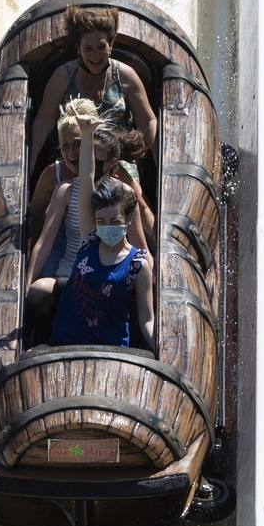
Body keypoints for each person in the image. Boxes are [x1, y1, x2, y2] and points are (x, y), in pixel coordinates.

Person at [30, 113, 155, 349]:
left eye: (114, 220)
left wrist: (162, 348)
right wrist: (86, 134)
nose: (106, 227)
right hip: (67, 341)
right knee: (40, 293)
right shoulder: (90, 241)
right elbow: (87, 176)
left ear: (127, 220)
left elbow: (148, 320)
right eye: (102, 221)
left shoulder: (138, 265)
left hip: (110, 349)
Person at [28, 5, 157, 169]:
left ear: (111, 45)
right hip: (73, 160)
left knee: (131, 193)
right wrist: (30, 162)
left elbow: (148, 121)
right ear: (78, 48)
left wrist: (161, 165)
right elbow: (43, 124)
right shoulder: (63, 76)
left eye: (101, 47)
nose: (95, 55)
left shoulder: (126, 76)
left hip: (115, 162)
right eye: (88, 48)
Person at [27, 99, 156, 251]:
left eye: (78, 144)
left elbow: (143, 210)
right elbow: (34, 221)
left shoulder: (114, 171)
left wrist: (158, 245)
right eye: (65, 146)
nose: (71, 154)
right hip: (64, 245)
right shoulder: (53, 175)